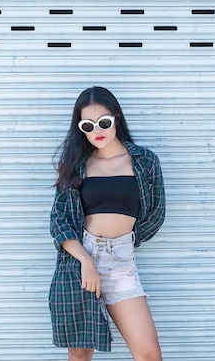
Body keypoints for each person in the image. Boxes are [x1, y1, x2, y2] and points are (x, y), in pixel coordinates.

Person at [49, 86, 166, 361]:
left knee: (149, 355)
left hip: (121, 262)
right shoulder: (77, 165)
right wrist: (86, 260)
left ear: (116, 119)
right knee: (80, 356)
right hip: (80, 263)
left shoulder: (144, 162)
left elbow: (155, 215)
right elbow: (59, 220)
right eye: (87, 125)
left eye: (103, 122)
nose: (97, 130)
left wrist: (123, 242)